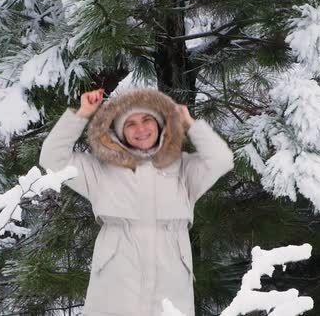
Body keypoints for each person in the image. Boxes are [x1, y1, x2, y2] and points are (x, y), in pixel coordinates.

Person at [39, 88, 234, 316]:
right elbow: (52, 159)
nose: (140, 129)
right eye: (130, 124)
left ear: (160, 125)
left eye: (146, 119)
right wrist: (82, 114)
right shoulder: (99, 171)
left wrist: (190, 123)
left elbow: (222, 160)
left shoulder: (183, 169)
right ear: (120, 132)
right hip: (116, 286)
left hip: (170, 284)